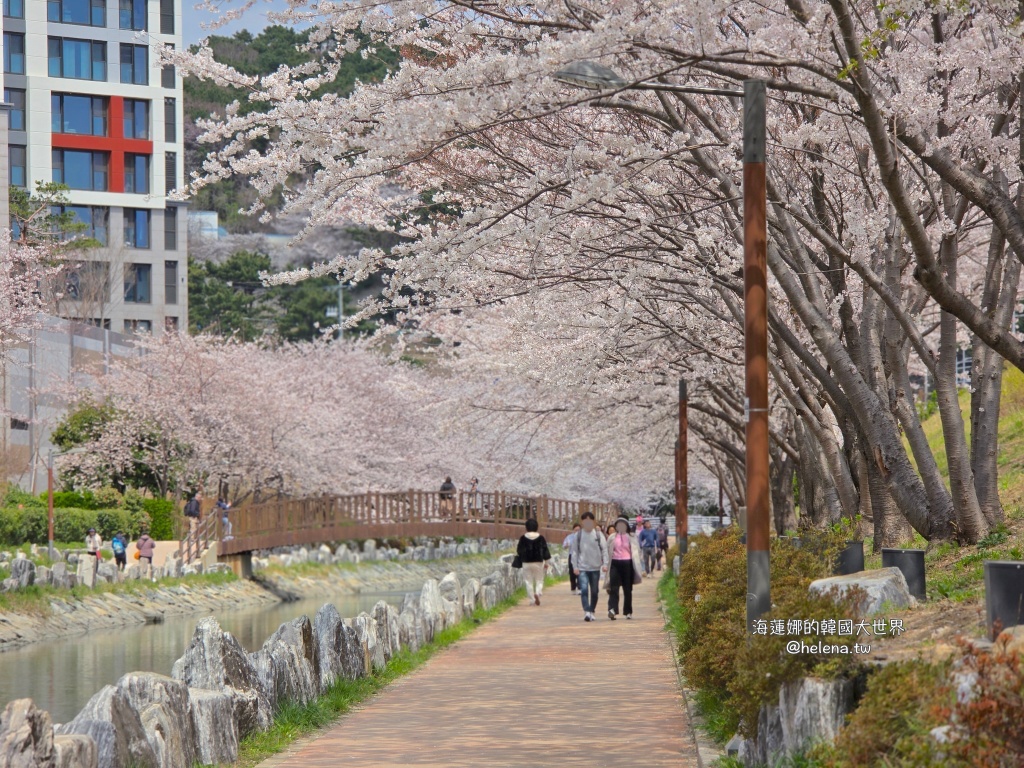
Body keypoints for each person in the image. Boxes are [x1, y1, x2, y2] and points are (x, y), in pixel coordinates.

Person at [570, 511, 608, 621]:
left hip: (595, 567)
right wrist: (575, 567)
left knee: (595, 591)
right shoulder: (579, 535)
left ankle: (592, 610)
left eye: (590, 520)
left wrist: (605, 564)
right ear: (582, 522)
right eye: (585, 520)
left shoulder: (598, 534)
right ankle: (587, 611)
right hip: (582, 568)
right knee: (584, 589)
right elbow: (575, 552)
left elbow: (604, 550)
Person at [606, 515, 642, 620]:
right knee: (614, 588)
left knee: (627, 589)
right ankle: (612, 609)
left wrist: (637, 562)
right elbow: (607, 550)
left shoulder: (631, 536)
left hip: (628, 563)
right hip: (615, 563)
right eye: (618, 525)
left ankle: (628, 611)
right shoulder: (612, 537)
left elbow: (637, 550)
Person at [517, 518, 551, 605]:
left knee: (528, 581)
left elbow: (519, 550)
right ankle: (538, 592)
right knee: (539, 580)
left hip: (526, 563)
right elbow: (545, 551)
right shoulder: (541, 538)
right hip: (538, 563)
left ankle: (532, 600)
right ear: (537, 527)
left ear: (526, 527)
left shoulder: (523, 538)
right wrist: (546, 563)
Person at [562, 523, 581, 594]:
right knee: (572, 572)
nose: (577, 531)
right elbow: (564, 546)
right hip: (572, 555)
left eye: (579, 530)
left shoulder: (583, 537)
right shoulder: (569, 537)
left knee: (580, 571)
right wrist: (566, 545)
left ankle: (579, 587)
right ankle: (573, 587)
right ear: (573, 530)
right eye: (576, 530)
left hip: (580, 556)